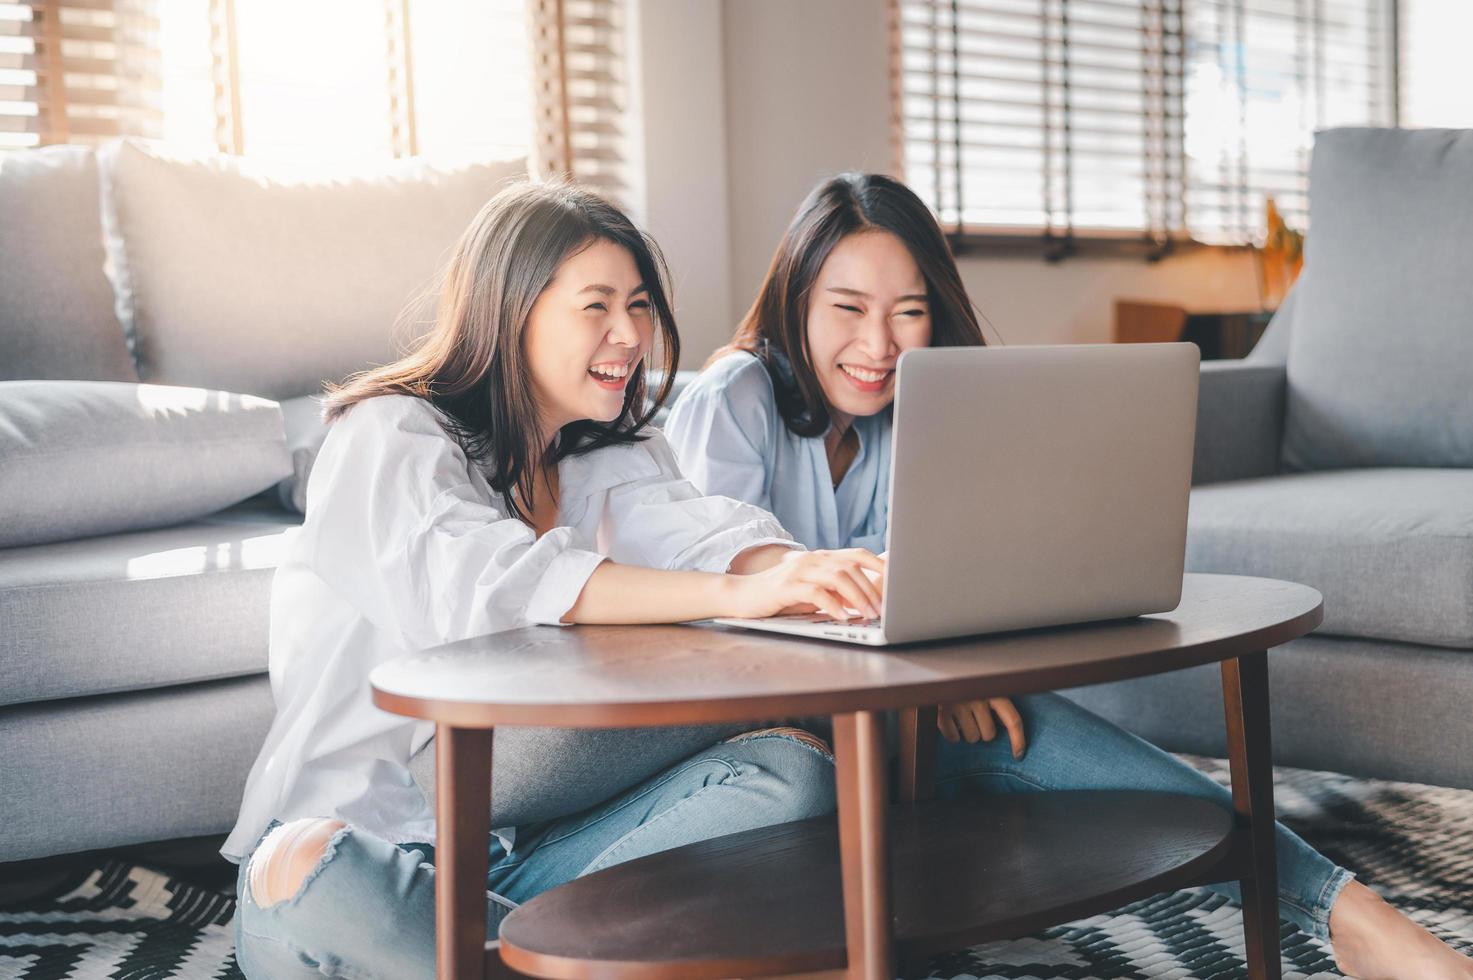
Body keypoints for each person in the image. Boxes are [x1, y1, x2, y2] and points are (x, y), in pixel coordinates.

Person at [665, 171, 1473, 980]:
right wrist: (925, 677)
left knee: (1079, 749)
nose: (878, 345)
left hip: (903, 716)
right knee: (1038, 744)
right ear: (795, 300)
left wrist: (945, 667)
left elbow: (945, 581)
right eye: (847, 309)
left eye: (907, 312)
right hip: (787, 741)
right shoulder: (734, 397)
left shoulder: (927, 402)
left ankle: (1351, 918)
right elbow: (734, 608)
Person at [225, 180, 884, 979]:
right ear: (512, 312)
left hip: (518, 862)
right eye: (596, 306)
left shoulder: (609, 447)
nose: (629, 334)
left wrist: (802, 573)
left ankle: (521, 959)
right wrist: (736, 596)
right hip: (364, 853)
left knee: (792, 774)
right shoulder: (388, 432)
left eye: (639, 306)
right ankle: (563, 960)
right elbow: (489, 583)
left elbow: (697, 531)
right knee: (309, 870)